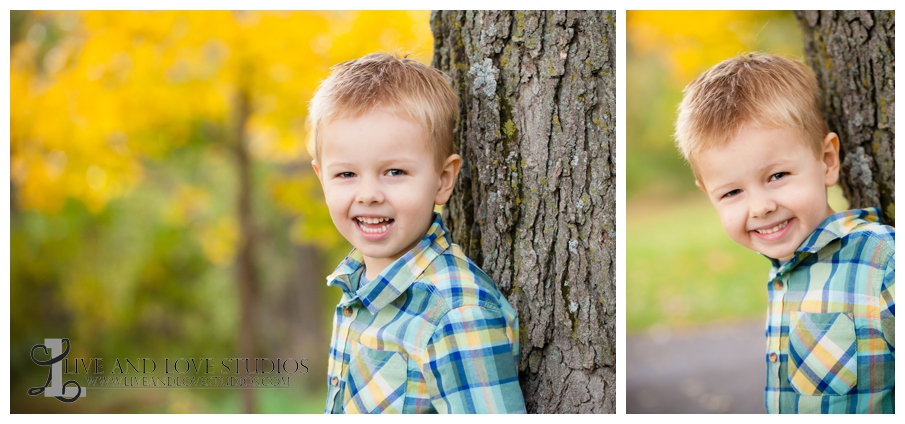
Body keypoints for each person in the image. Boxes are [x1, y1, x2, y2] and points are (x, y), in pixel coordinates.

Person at [674, 52, 894, 413]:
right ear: (708, 195)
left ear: (826, 161)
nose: (760, 207)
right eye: (732, 193)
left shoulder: (881, 261)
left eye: (777, 176)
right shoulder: (786, 273)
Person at [307, 52, 526, 414]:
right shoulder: (357, 285)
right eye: (346, 174)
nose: (369, 194)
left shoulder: (456, 314)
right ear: (322, 178)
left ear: (443, 180)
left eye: (394, 172)